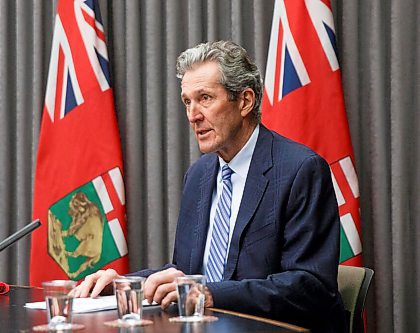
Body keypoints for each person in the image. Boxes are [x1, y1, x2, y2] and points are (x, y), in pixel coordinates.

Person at [73, 40, 347, 332]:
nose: (193, 115)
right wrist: (124, 284)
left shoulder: (300, 169)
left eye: (205, 98)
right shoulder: (199, 175)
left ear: (245, 101)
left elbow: (311, 286)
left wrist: (211, 294)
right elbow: (186, 274)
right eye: (187, 102)